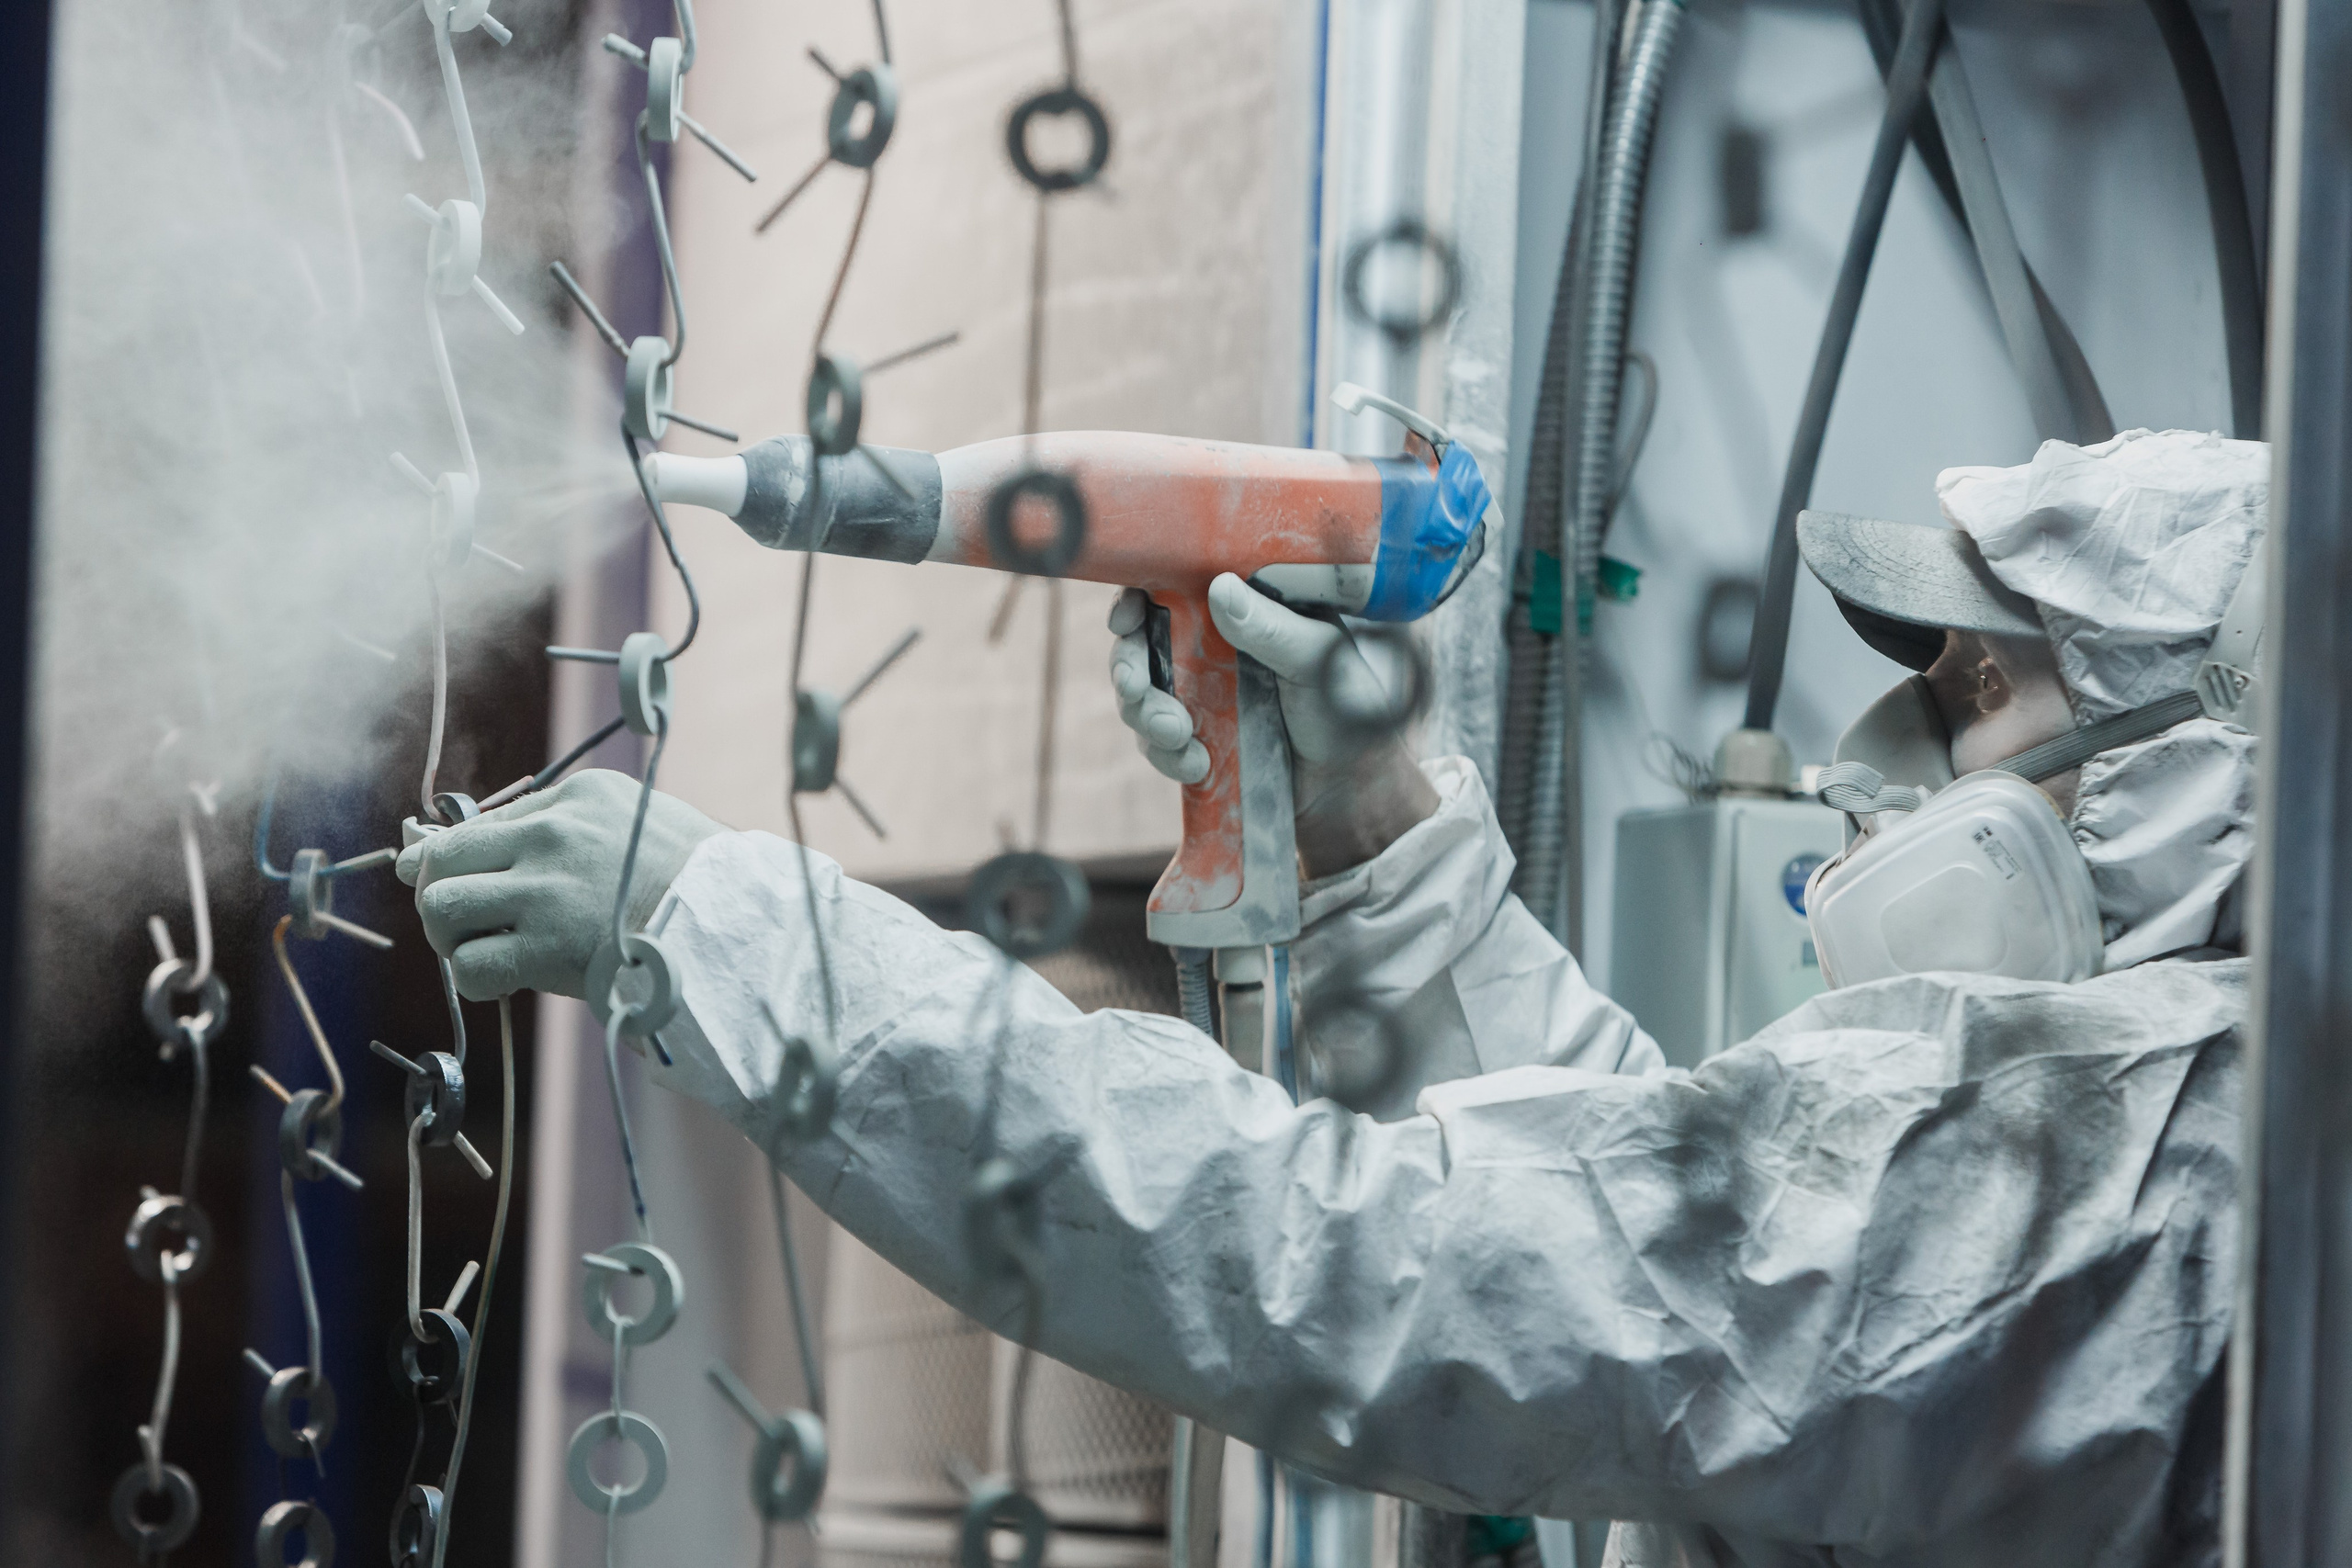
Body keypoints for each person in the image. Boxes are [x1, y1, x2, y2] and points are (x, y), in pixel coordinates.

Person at [400, 428, 2264, 1567]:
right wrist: (1385, 841)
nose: (1892, 762)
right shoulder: (2109, 1129)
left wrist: (731, 933)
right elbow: (1662, 1253)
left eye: (1974, 688)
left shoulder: (2121, 1149)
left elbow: (1375, 1268)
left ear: (2213, 760)